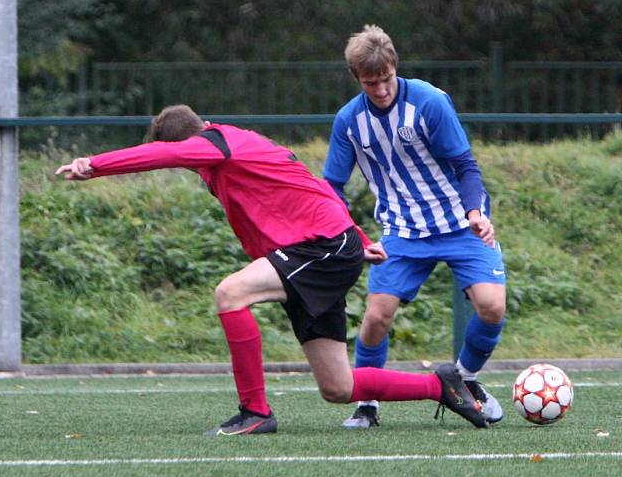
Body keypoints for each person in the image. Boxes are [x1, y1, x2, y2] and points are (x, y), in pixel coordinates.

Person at [56, 104, 488, 436]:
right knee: (337, 387)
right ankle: (440, 385)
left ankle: (255, 412)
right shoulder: (233, 149)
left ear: (190, 143)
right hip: (328, 245)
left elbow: (159, 156)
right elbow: (308, 183)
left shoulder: (216, 143)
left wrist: (94, 165)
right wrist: (357, 234)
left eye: (183, 155)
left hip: (322, 246)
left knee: (230, 294)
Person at [323, 25, 507, 429]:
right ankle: (367, 403)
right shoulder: (349, 122)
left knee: (492, 307)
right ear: (358, 79)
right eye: (371, 83)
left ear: (395, 68)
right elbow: (331, 187)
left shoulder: (429, 101)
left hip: (460, 223)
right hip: (403, 231)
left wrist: (476, 211)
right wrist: (354, 234)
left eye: (387, 79)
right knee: (375, 319)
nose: (382, 90)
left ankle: (465, 380)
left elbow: (465, 166)